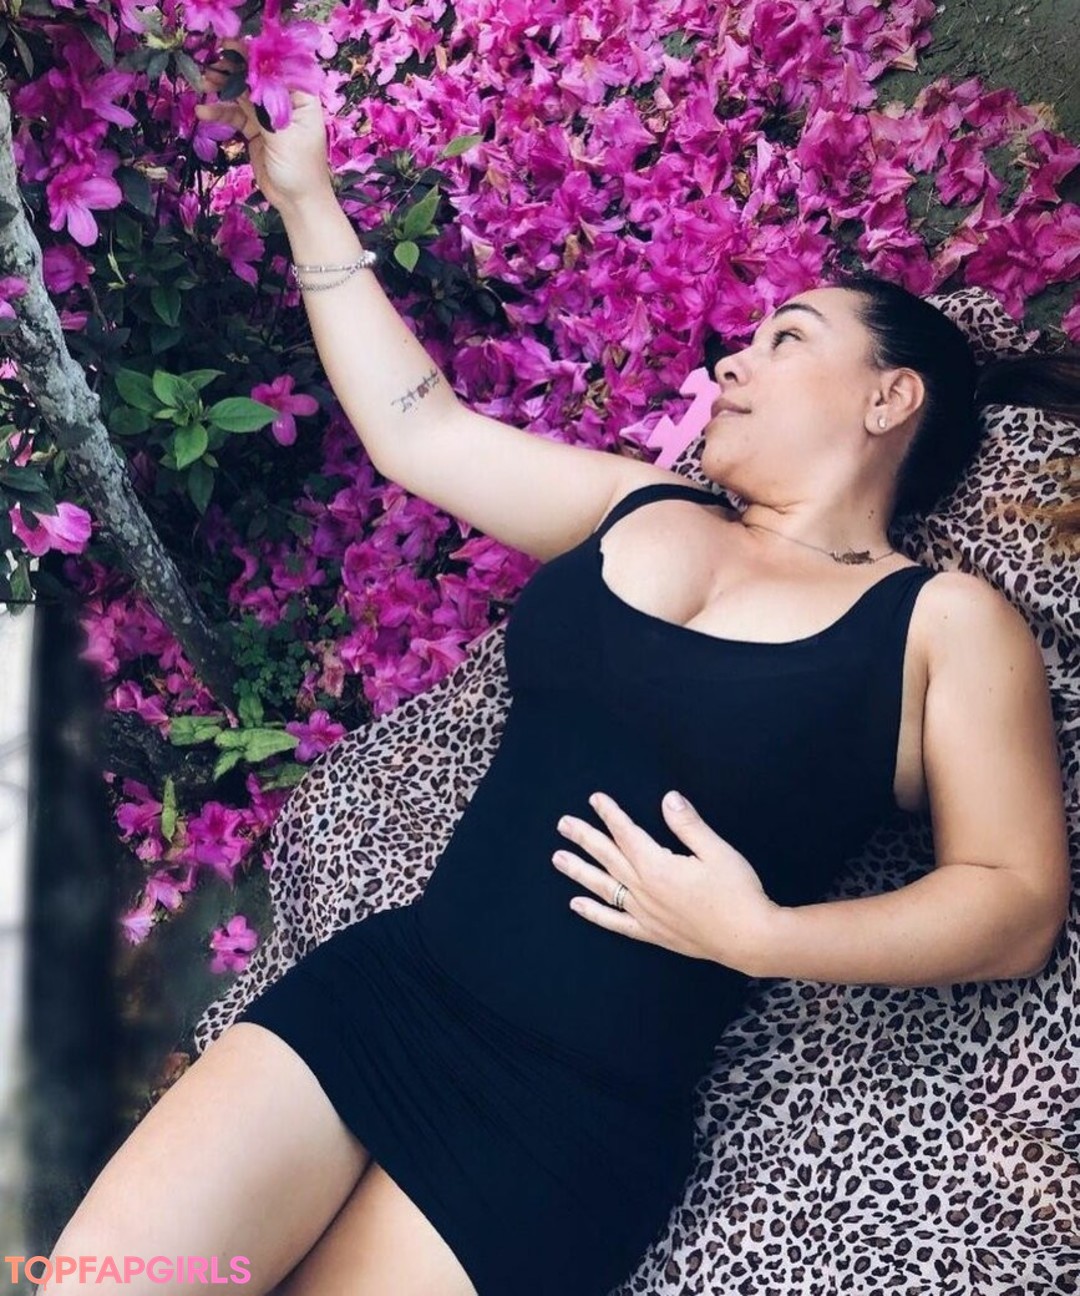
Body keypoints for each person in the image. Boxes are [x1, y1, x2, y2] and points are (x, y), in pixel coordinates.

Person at [38, 55, 1073, 1296]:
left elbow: (1014, 900)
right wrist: (305, 195)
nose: (732, 364)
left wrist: (767, 936)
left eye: (786, 339)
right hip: (391, 994)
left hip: (565, 1130)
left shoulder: (944, 624)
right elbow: (421, 432)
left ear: (890, 397)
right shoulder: (643, 505)